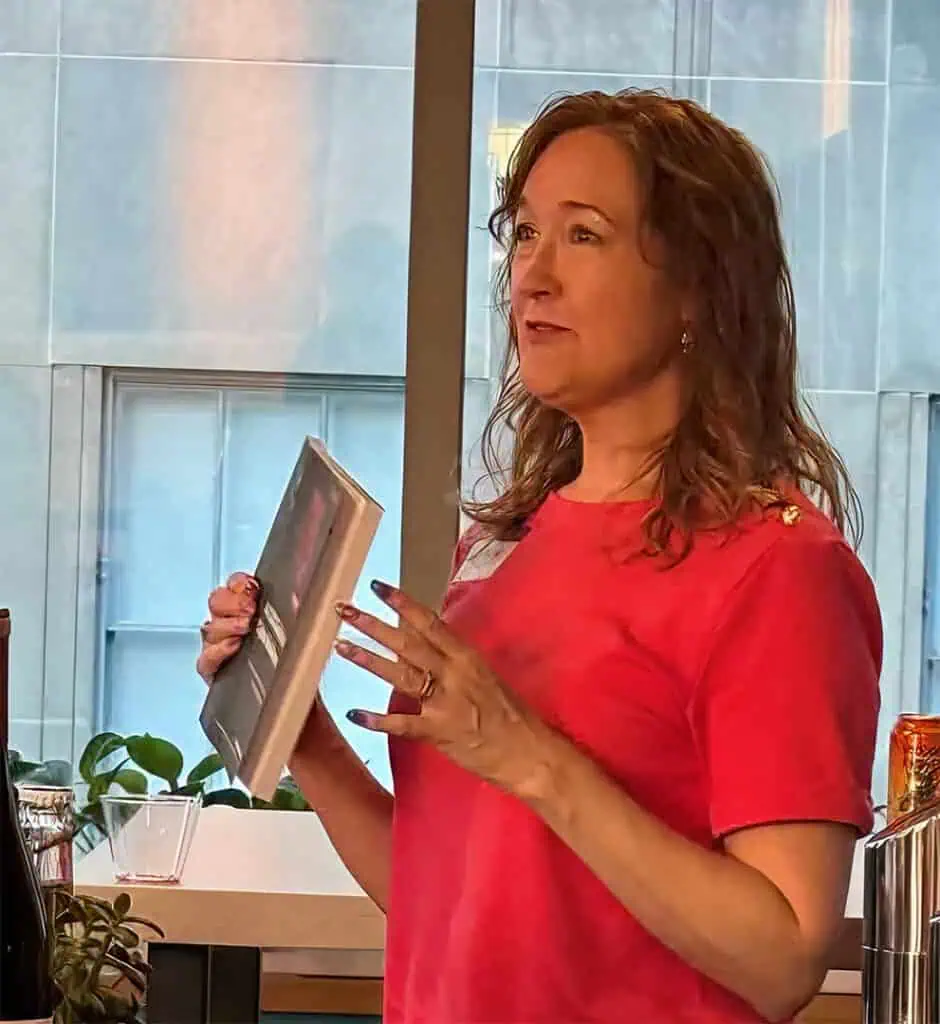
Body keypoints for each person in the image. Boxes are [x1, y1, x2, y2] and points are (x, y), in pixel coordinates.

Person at [197, 89, 882, 1023]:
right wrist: (303, 735)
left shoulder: (778, 568)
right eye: (523, 234)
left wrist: (530, 756)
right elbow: (449, 901)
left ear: (698, 286)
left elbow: (783, 956)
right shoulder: (503, 543)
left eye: (584, 236)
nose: (532, 276)